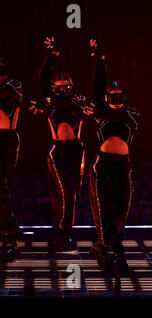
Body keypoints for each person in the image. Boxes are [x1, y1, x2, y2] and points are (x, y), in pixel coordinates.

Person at [31, 37, 90, 252]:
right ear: (53, 88)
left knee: (71, 194)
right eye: (59, 88)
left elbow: (68, 101)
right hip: (58, 151)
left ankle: (65, 231)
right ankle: (63, 233)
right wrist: (52, 56)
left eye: (66, 88)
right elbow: (42, 76)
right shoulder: (52, 101)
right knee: (65, 192)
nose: (63, 91)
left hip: (77, 151)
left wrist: (49, 100)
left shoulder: (77, 101)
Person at [88, 39, 139, 274]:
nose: (116, 101)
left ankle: (116, 249)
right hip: (104, 165)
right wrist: (100, 61)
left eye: (120, 97)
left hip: (123, 166)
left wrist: (105, 111)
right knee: (103, 207)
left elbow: (126, 118)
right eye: (112, 97)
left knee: (121, 209)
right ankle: (103, 247)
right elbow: (98, 88)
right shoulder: (101, 110)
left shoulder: (131, 114)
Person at [0, 57, 22, 263]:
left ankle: (9, 233)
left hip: (7, 140)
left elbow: (7, 92)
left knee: (3, 186)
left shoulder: (13, 85)